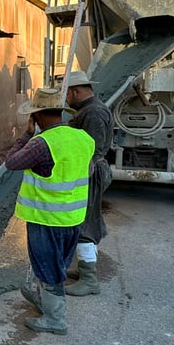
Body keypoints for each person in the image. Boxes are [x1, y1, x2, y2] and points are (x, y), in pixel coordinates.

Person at [5, 87, 95, 335]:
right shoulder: (83, 138)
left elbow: (11, 162)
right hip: (73, 217)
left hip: (46, 217)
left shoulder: (42, 144)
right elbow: (89, 171)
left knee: (47, 267)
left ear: (39, 115)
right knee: (59, 264)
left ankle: (55, 319)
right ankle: (47, 302)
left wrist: (25, 134)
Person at [63, 70, 113, 296]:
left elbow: (94, 149)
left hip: (90, 173)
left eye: (67, 94)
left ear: (76, 91)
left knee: (85, 224)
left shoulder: (93, 113)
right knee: (82, 221)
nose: (66, 99)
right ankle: (84, 270)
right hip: (88, 171)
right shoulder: (87, 110)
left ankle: (90, 279)